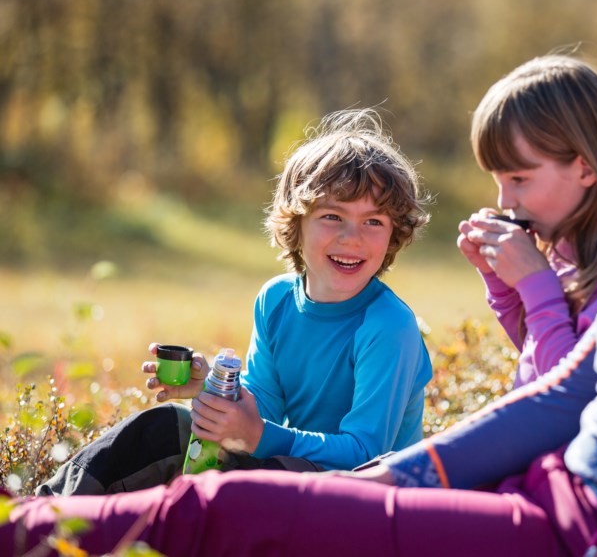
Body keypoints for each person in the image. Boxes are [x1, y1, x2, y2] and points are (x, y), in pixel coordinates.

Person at [2, 0, 597, 555]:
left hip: (580, 534)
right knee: (218, 495)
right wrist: (397, 476)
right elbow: (564, 391)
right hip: (546, 490)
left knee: (222, 511)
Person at [34, 108, 433, 495]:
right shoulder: (276, 302)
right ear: (296, 224)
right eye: (332, 216)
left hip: (368, 502)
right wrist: (215, 391)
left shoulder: (387, 325)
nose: (353, 237)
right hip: (297, 475)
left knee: (257, 480)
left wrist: (256, 434)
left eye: (374, 221)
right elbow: (266, 415)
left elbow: (367, 455)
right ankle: (40, 513)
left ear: (394, 234)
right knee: (164, 428)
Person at [457, 54, 597, 388]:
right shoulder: (568, 252)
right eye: (499, 181)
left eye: (519, 179)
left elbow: (570, 396)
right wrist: (501, 282)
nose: (504, 202)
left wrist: (535, 282)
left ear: (585, 168)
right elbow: (536, 353)